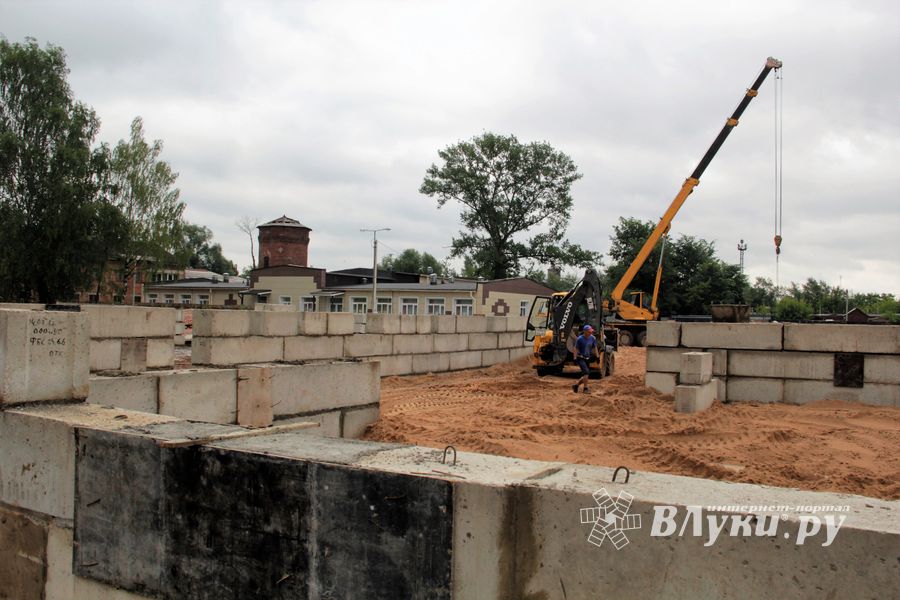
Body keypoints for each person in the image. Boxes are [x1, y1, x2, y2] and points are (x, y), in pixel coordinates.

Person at [572, 324, 598, 393]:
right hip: (580, 358)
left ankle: (576, 385)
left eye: (591, 331)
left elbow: (595, 347)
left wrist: (597, 356)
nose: (590, 333)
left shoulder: (592, 338)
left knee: (586, 374)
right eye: (589, 332)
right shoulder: (580, 339)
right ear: (585, 331)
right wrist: (575, 358)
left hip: (587, 358)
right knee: (586, 372)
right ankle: (585, 388)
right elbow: (575, 348)